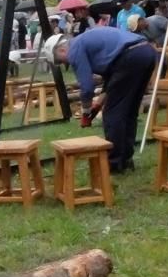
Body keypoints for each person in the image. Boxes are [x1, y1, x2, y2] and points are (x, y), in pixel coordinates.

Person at [45, 28, 157, 172]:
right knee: (129, 112)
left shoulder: (74, 49)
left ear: (61, 50)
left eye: (61, 61)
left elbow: (87, 88)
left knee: (112, 115)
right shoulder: (86, 41)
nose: (67, 63)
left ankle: (114, 164)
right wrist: (98, 103)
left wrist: (85, 112)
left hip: (130, 58)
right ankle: (126, 160)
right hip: (146, 52)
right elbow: (113, 76)